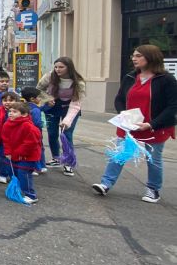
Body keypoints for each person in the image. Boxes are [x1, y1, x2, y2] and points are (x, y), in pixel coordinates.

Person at [92, 45, 177, 203]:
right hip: (129, 126)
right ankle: (105, 184)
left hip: (154, 127)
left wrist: (151, 124)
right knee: (119, 155)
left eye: (138, 56)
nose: (134, 58)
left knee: (153, 159)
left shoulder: (166, 80)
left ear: (150, 57)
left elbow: (172, 107)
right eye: (133, 55)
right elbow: (119, 99)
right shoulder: (130, 77)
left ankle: (153, 189)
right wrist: (123, 115)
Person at [37, 57, 85, 177]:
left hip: (70, 108)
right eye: (56, 67)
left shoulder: (78, 82)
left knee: (66, 134)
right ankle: (56, 158)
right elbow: (38, 90)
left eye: (61, 67)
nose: (57, 69)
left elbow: (76, 104)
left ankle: (68, 162)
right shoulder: (49, 77)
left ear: (69, 67)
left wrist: (67, 121)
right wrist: (47, 99)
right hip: (53, 107)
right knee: (52, 133)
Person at [1, 102, 42, 204]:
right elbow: (6, 140)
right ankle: (17, 190)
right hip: (14, 154)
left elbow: (30, 144)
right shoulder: (7, 124)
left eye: (14, 112)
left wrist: (16, 154)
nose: (10, 113)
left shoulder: (28, 127)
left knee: (24, 174)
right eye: (10, 111)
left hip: (28, 156)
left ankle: (30, 195)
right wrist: (8, 152)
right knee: (13, 172)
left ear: (24, 114)